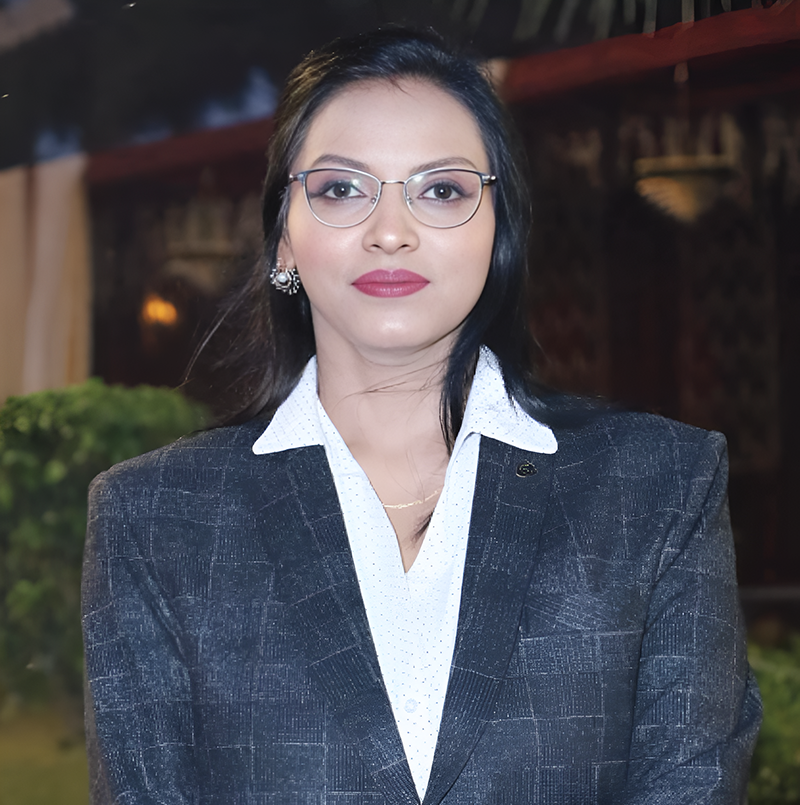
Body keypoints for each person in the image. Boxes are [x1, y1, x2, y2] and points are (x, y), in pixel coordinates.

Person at [81, 27, 761, 805]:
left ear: (498, 230)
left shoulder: (659, 486)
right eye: (342, 189)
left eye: (441, 190)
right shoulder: (155, 518)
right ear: (283, 240)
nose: (391, 232)